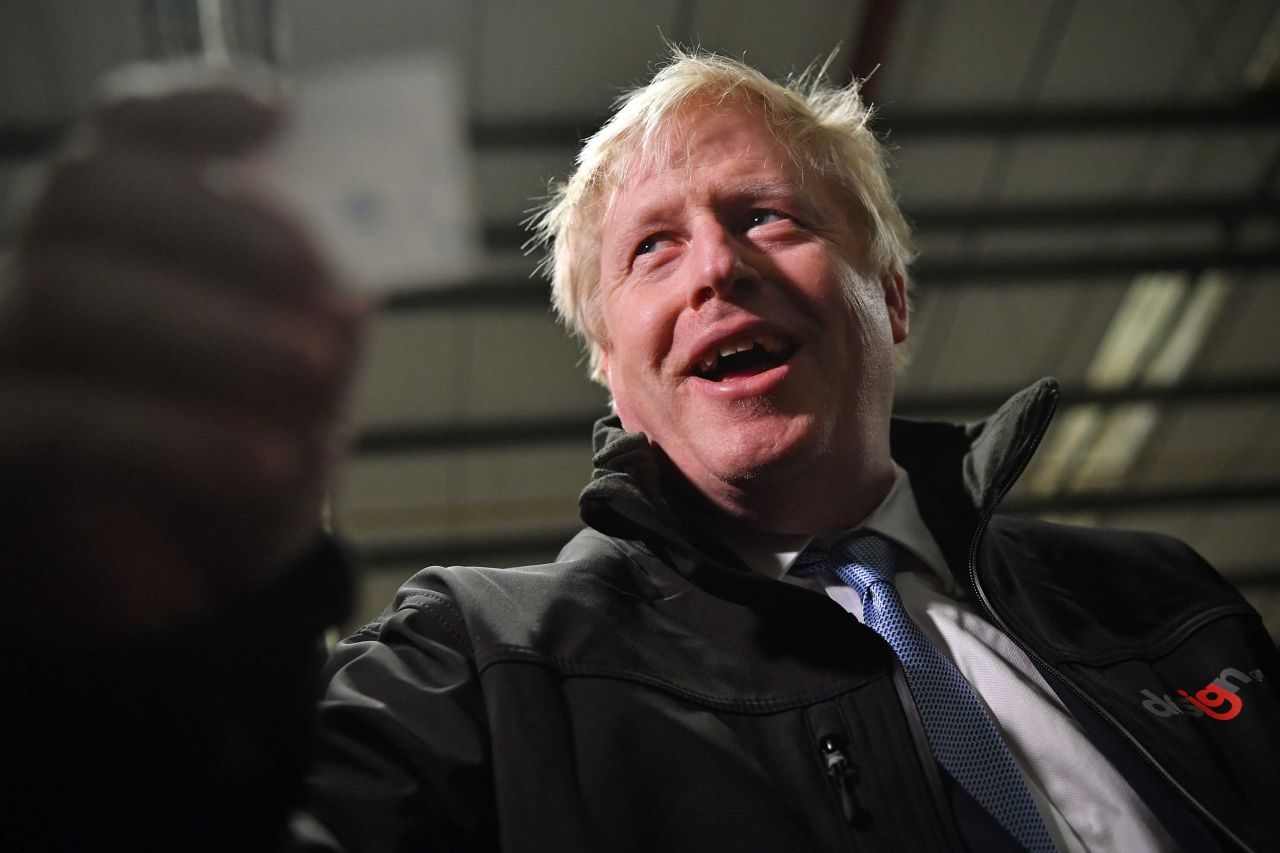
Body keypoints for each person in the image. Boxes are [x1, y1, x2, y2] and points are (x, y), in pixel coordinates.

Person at [3, 49, 1277, 852]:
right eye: (650, 250)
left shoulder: (1159, 601)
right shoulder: (477, 666)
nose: (716, 265)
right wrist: (133, 652)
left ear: (887, 297)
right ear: (612, 368)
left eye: (765, 216)